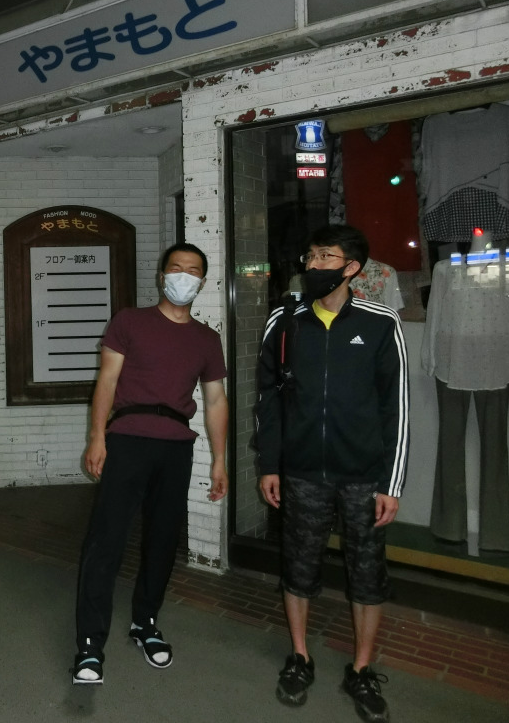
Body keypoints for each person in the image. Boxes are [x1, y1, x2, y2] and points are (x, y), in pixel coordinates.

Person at [255, 224, 409, 723]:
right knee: (299, 566)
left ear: (352, 268)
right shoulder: (285, 320)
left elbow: (396, 407)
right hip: (302, 472)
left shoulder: (381, 322)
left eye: (326, 256)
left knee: (367, 573)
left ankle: (361, 668)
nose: (314, 265)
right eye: (311, 256)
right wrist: (269, 465)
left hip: (363, 475)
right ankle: (300, 656)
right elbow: (268, 399)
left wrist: (391, 483)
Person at [72, 243, 229, 685]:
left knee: (162, 540)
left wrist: (220, 460)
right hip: (127, 440)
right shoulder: (130, 321)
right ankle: (90, 644)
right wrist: (97, 436)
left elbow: (216, 401)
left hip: (176, 447)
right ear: (162, 276)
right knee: (106, 541)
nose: (183, 276)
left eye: (193, 270)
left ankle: (146, 623)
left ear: (202, 281)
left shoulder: (207, 339)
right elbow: (107, 379)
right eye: (176, 268)